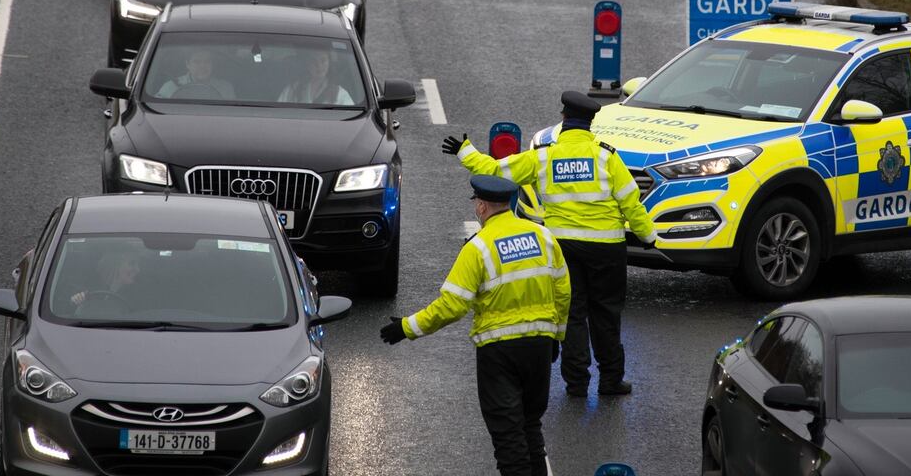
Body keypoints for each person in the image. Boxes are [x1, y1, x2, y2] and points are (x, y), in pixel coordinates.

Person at [441, 91, 654, 397]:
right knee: (606, 313)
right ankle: (610, 380)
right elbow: (631, 202)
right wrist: (647, 236)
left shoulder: (545, 157)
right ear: (589, 125)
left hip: (563, 247)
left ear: (564, 121)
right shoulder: (606, 157)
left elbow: (497, 171)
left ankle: (577, 382)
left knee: (572, 313)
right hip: (607, 249)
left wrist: (465, 152)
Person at [380, 175, 571, 476]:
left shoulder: (478, 248)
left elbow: (452, 305)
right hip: (539, 345)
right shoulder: (543, 237)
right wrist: (556, 336)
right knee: (530, 425)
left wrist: (407, 327)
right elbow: (563, 290)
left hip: (500, 352)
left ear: (481, 207)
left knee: (508, 435)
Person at [277, 50, 354, 106]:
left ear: (329, 62)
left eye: (323, 60)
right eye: (314, 61)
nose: (319, 66)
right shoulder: (292, 90)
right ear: (307, 64)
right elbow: (279, 113)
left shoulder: (340, 93)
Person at [69, 252, 141, 309]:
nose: (138, 270)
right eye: (132, 264)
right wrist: (76, 300)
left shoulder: (137, 294)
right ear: (116, 266)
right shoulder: (89, 288)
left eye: (138, 264)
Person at [156, 49, 235, 99]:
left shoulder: (225, 88)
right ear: (187, 64)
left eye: (207, 61)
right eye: (196, 62)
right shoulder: (171, 87)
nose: (202, 66)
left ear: (212, 64)